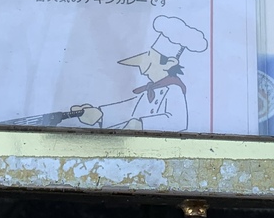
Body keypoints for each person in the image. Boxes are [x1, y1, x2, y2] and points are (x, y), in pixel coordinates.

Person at [71, 15, 208, 131]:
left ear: (170, 63)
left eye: (150, 56)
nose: (143, 61)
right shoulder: (148, 90)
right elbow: (128, 109)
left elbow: (178, 121)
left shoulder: (174, 89)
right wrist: (99, 114)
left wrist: (142, 124)